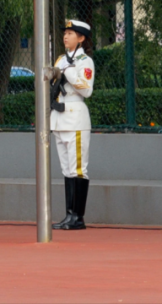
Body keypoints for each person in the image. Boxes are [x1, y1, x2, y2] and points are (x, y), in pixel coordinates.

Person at [50, 20, 96, 230]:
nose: (65, 36)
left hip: (75, 117)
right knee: (67, 169)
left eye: (70, 33)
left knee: (78, 169)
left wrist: (67, 72)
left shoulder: (85, 61)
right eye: (65, 33)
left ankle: (78, 216)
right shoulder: (60, 59)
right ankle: (69, 214)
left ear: (81, 38)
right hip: (59, 117)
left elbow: (86, 89)